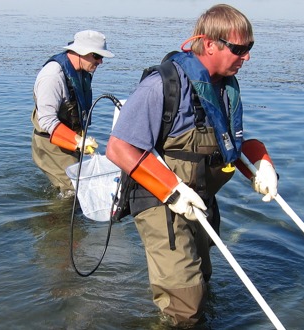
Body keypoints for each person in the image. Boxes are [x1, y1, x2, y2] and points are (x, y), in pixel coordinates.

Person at [105, 4, 279, 327]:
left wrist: (263, 163)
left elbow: (233, 146)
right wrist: (171, 191)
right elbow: (118, 148)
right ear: (209, 44)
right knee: (185, 307)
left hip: (201, 202)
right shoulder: (163, 85)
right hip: (162, 203)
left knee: (202, 284)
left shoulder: (224, 88)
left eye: (250, 48)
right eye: (239, 49)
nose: (247, 57)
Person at [31, 30, 114, 197]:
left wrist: (80, 140)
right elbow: (47, 121)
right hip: (51, 145)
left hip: (69, 142)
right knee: (74, 193)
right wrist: (78, 141)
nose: (101, 62)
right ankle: (54, 222)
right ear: (82, 52)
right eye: (97, 56)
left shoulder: (81, 71)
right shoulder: (52, 76)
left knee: (76, 188)